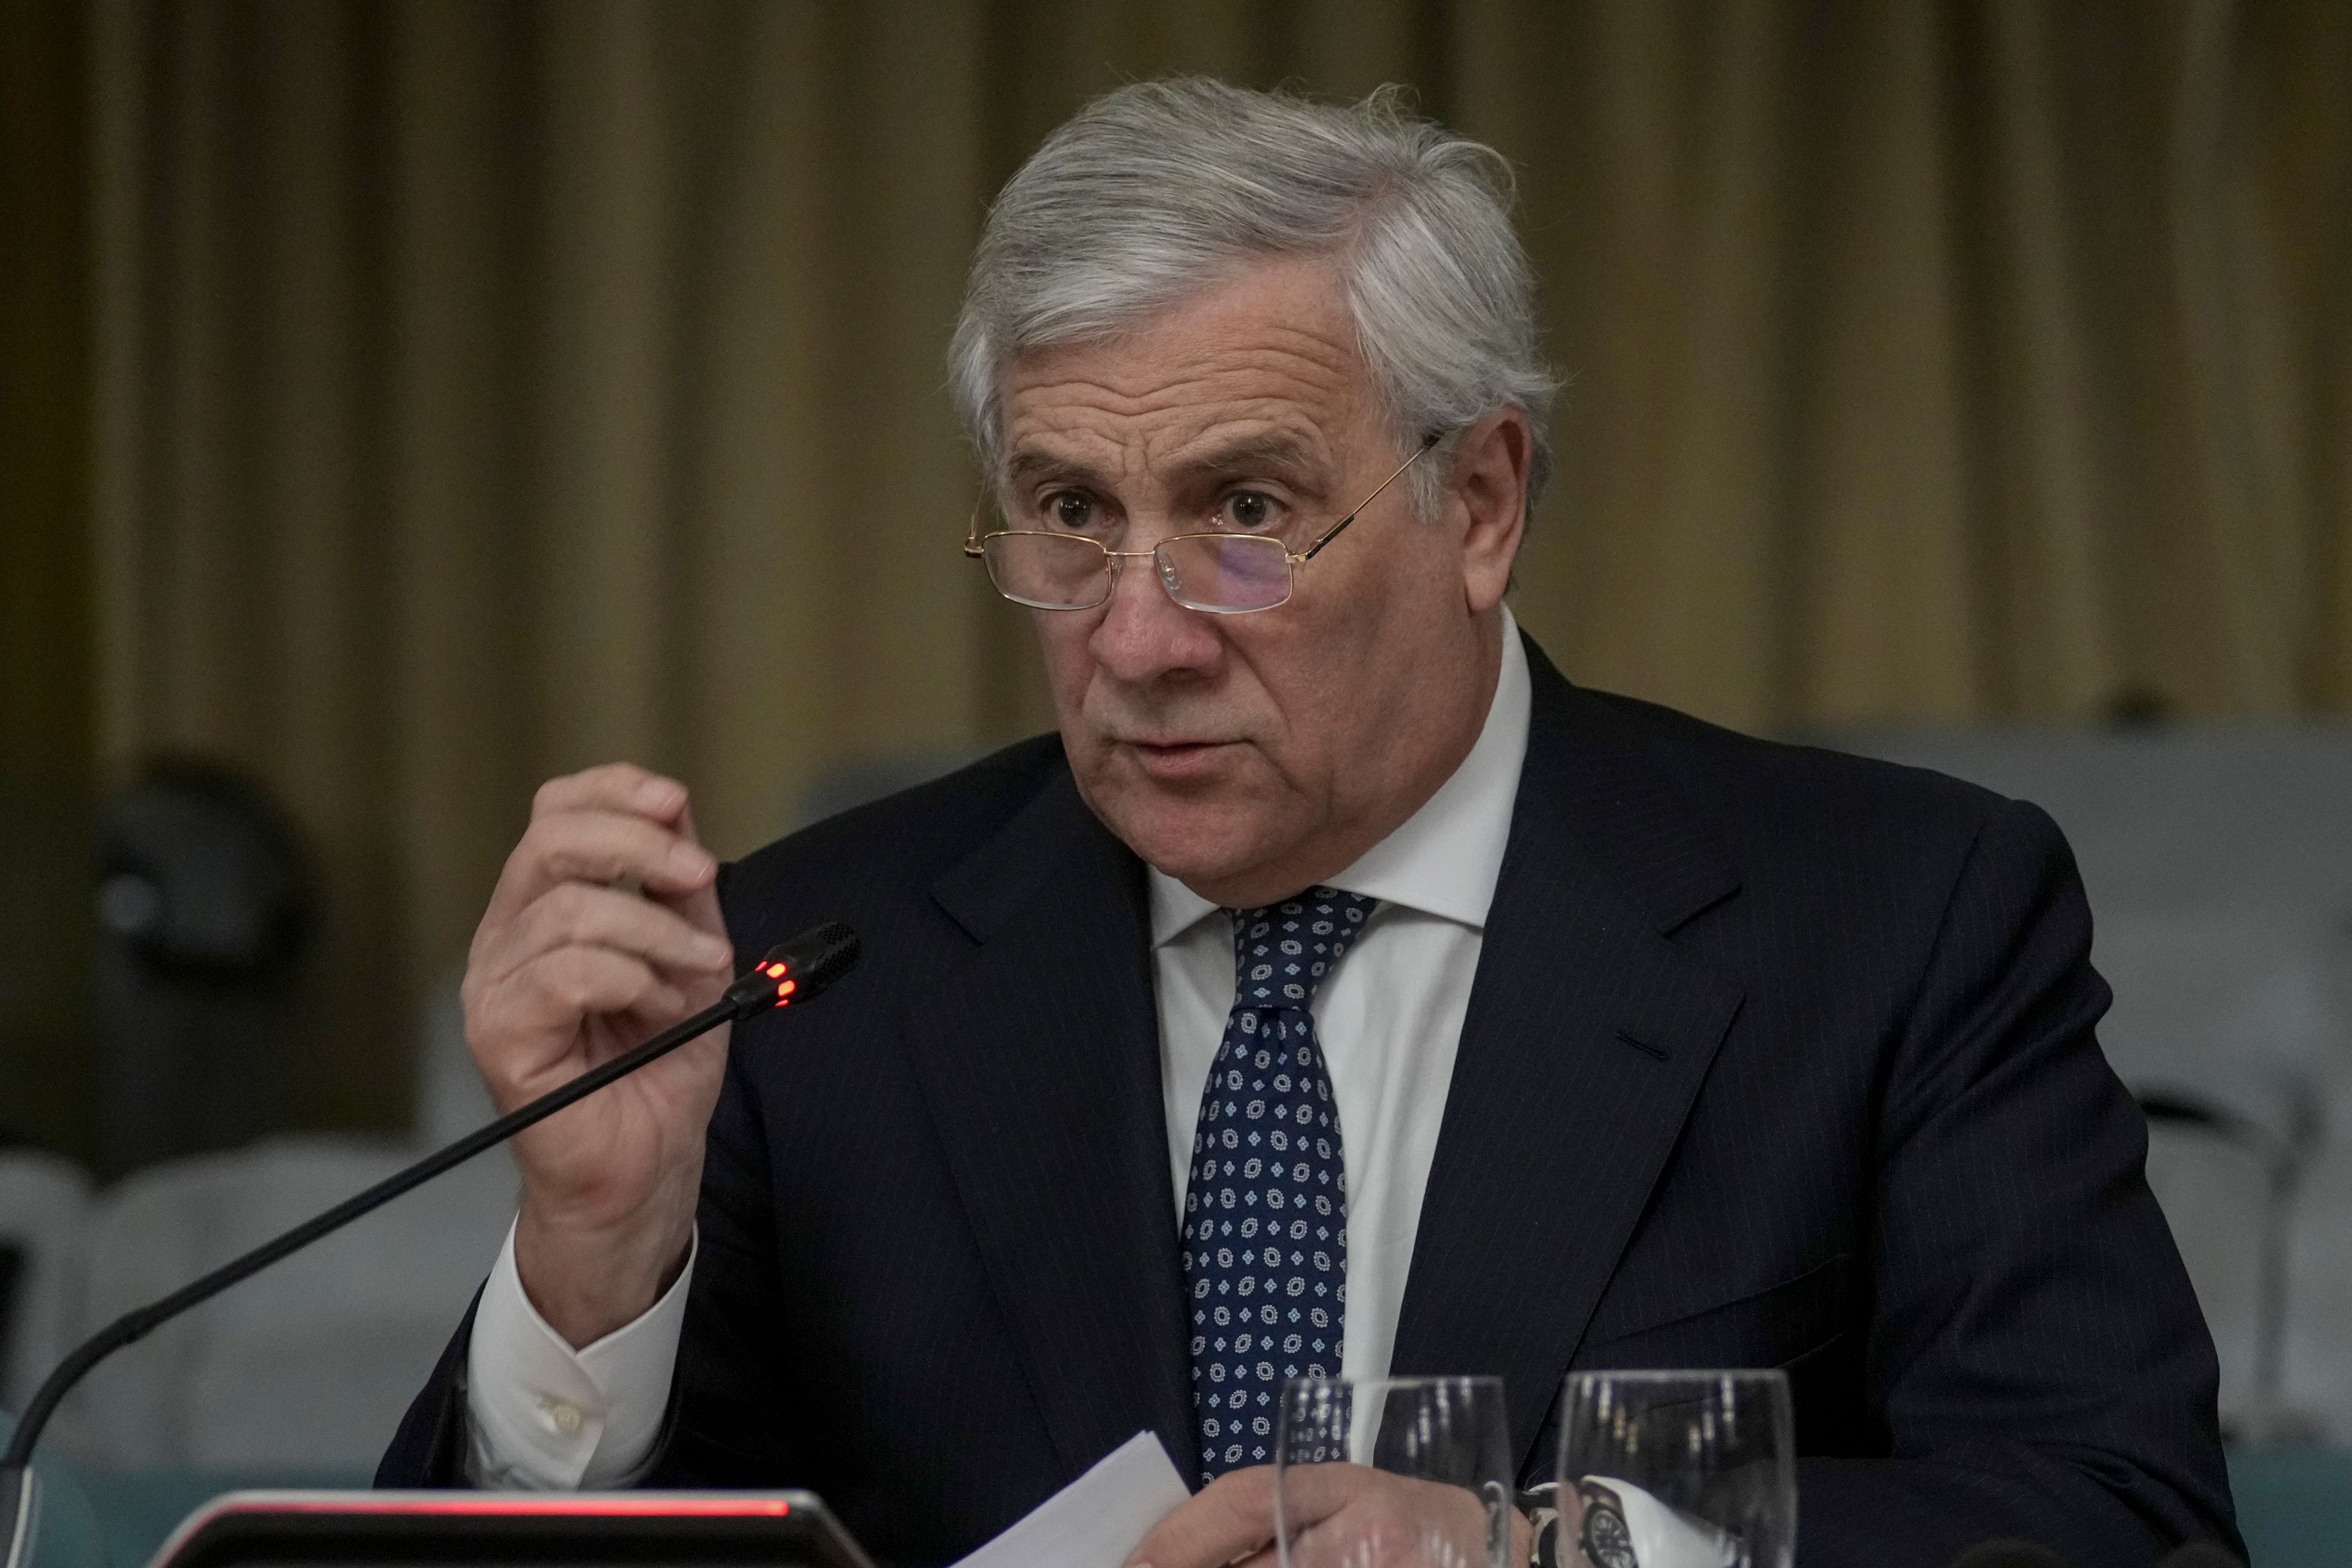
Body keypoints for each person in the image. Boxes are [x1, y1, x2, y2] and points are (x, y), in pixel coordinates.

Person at [380, 80, 2239, 1568]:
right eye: (1068, 513)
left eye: (1245, 510)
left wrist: (1549, 1552)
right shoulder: (806, 979)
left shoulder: (1895, 922)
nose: (1134, 634)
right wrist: (592, 1270)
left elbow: (2112, 1520)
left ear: (1485, 500)